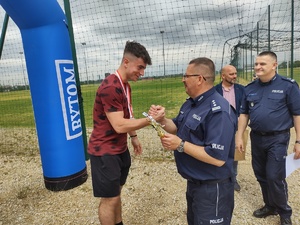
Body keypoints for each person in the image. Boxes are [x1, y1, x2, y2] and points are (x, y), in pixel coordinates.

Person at [149, 57, 237, 225]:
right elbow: (177, 127)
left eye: (186, 76)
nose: (183, 79)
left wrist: (180, 145)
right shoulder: (191, 104)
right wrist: (161, 120)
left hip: (213, 189)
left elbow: (217, 158)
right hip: (195, 185)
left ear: (199, 79)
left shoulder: (219, 111)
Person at [88, 40, 154, 225]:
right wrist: (150, 120)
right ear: (126, 61)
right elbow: (118, 125)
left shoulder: (125, 85)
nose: (142, 73)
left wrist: (133, 137)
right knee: (110, 199)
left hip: (119, 148)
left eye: (144, 69)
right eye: (140, 67)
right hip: (105, 151)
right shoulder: (111, 86)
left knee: (116, 194)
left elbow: (128, 114)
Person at [235, 51, 300, 225]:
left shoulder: (288, 86)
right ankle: (270, 205)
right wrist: (239, 136)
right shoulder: (250, 88)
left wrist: (299, 141)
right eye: (256, 64)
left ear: (274, 65)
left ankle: (284, 212)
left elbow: (297, 114)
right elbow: (243, 114)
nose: (257, 67)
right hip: (257, 138)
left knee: (274, 176)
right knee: (261, 175)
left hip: (277, 138)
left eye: (262, 64)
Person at [215, 65, 245, 192]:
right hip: (220, 126)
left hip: (237, 127)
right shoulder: (215, 90)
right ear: (223, 76)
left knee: (236, 153)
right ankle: (219, 177)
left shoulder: (242, 90)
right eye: (231, 74)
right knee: (219, 151)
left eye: (235, 73)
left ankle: (233, 179)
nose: (234, 76)